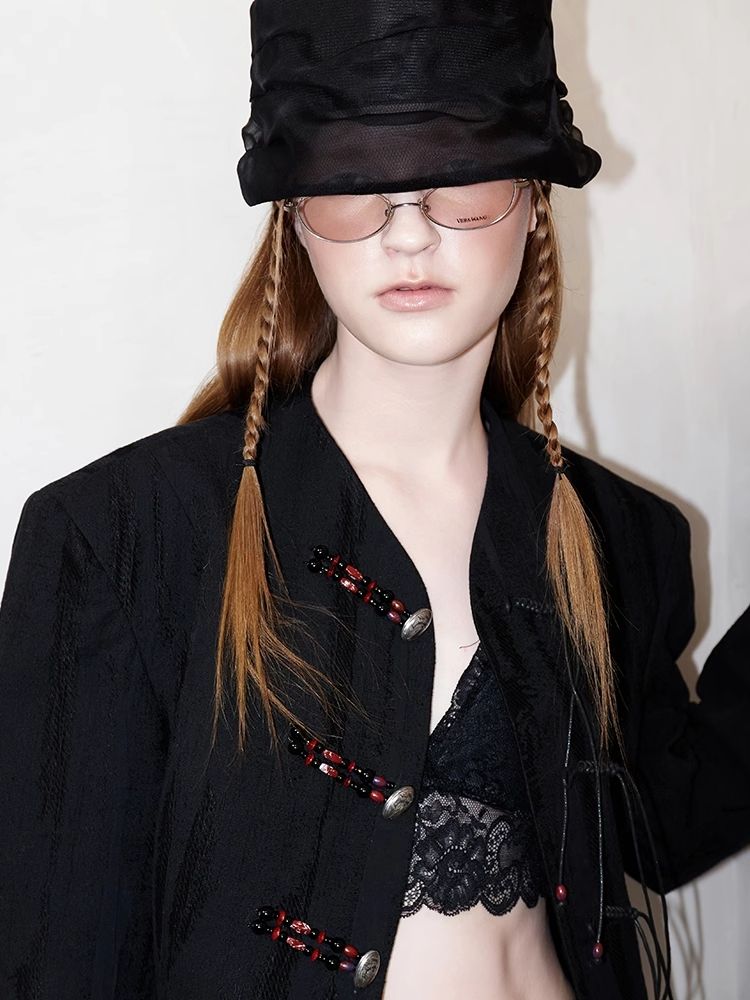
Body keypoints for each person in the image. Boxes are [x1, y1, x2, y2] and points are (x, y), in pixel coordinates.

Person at [1, 2, 749, 998]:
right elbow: (60, 956)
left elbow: (668, 822)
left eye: (459, 182)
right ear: (295, 218)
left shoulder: (618, 534)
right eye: (357, 187)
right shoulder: (122, 539)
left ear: (535, 200)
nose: (409, 235)